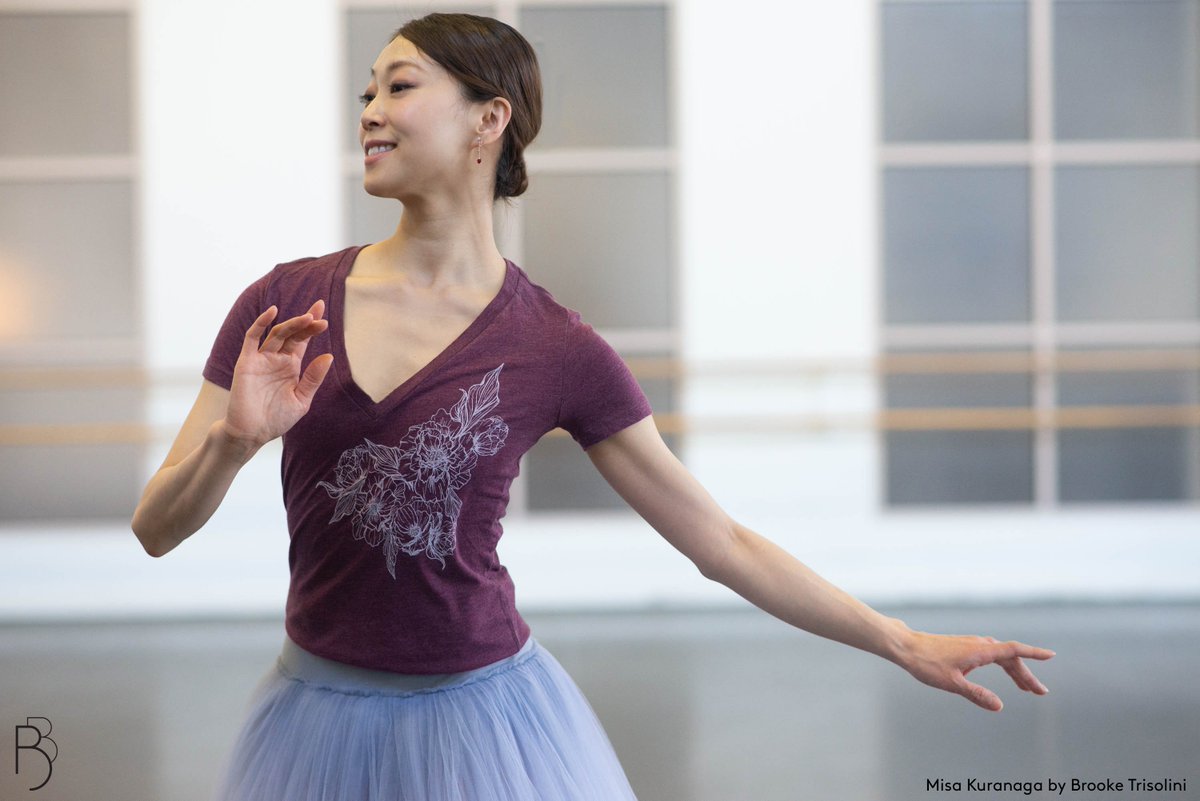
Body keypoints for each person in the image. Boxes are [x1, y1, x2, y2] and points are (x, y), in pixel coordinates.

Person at [131, 12, 1055, 801]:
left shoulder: (554, 346)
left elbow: (721, 543)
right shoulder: (283, 307)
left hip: (485, 725)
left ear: (489, 118)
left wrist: (901, 640)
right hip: (312, 722)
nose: (370, 111)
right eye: (366, 91)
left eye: (400, 87)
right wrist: (230, 443)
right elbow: (155, 530)